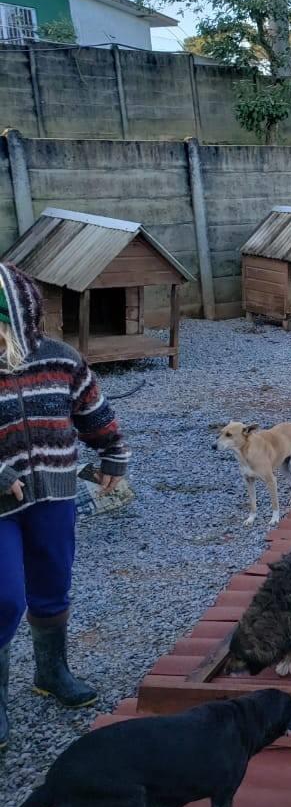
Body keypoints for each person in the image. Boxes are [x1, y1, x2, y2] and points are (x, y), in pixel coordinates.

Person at [0, 263, 129, 749]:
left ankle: (51, 672)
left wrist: (114, 452)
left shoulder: (60, 360)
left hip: (55, 492)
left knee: (53, 581)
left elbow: (92, 411)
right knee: (5, 595)